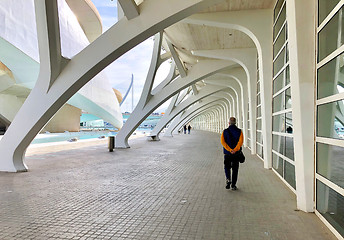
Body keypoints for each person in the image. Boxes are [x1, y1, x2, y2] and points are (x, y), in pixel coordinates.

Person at [220, 117, 243, 190]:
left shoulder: (225, 131)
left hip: (227, 154)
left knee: (227, 167)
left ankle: (228, 179)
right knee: (235, 169)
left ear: (229, 123)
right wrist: (235, 150)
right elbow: (240, 142)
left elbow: (222, 142)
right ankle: (233, 185)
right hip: (236, 154)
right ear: (235, 123)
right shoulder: (240, 131)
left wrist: (229, 150)